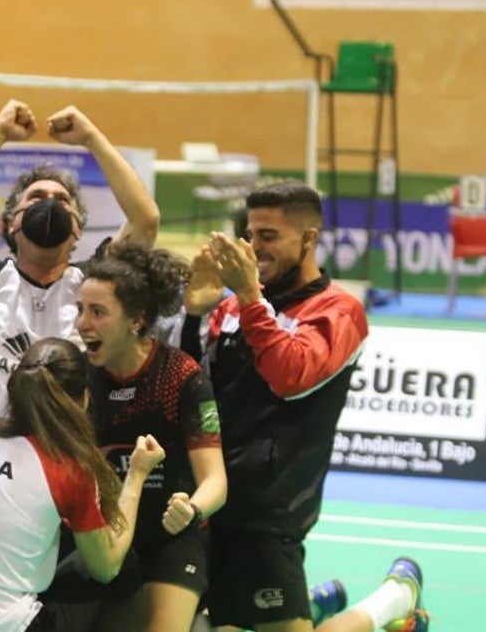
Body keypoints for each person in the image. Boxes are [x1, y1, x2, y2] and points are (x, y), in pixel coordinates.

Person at [179, 181, 428, 632]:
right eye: (252, 235)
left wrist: (251, 298)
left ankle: (392, 600)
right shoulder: (231, 306)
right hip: (213, 496)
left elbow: (291, 376)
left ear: (309, 239)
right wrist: (195, 313)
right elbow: (197, 387)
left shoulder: (337, 311)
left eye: (269, 236)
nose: (256, 247)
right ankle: (313, 606)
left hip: (270, 507)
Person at [0, 337, 167, 632]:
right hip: (9, 626)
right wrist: (136, 475)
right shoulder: (69, 469)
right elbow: (106, 567)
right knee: (124, 563)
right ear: (83, 399)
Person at [0, 100, 160, 427]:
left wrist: (92, 138)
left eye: (62, 200)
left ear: (78, 228)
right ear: (12, 221)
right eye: (36, 198)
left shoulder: (95, 285)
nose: (49, 204)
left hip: (63, 465)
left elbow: (145, 220)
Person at [74, 242, 228, 631]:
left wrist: (191, 510)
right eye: (80, 310)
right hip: (105, 536)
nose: (81, 323)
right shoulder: (78, 378)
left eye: (97, 312)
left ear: (136, 320)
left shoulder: (179, 376)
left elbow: (215, 481)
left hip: (171, 538)